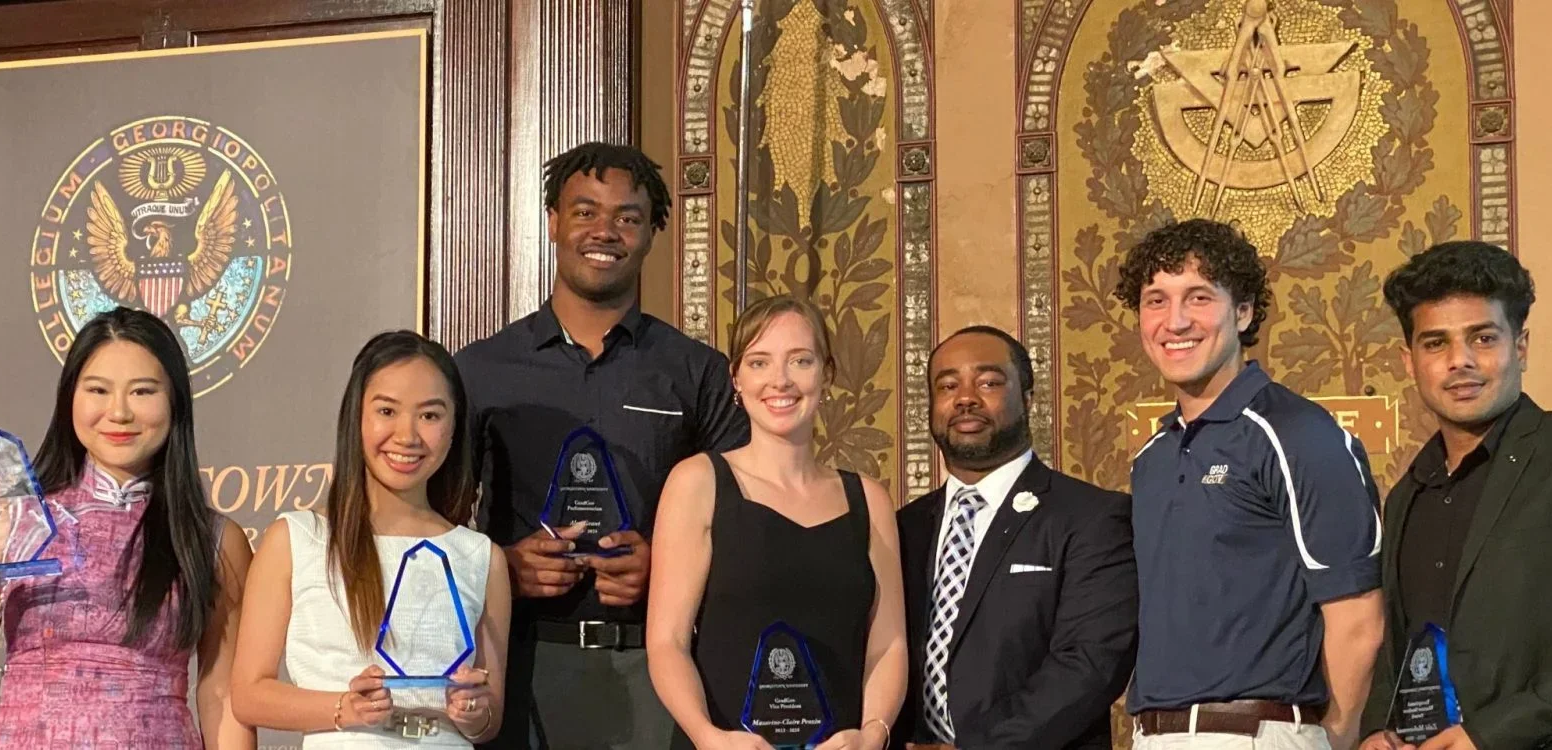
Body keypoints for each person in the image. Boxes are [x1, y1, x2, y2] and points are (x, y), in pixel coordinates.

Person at [455, 141, 750, 749]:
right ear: (554, 222)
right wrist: (501, 567)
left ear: (651, 234)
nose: (605, 231)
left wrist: (668, 572)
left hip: (654, 676)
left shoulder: (697, 373)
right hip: (516, 668)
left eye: (628, 217)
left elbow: (747, 524)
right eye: (585, 211)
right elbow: (426, 524)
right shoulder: (478, 370)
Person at [1355, 242, 1552, 750]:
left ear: (1521, 345)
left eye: (1482, 337)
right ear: (1409, 360)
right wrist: (1379, 728)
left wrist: (1492, 734)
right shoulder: (1406, 495)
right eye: (1435, 343)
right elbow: (1399, 643)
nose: (1459, 361)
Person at [0, 307, 255, 749]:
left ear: (175, 402)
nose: (119, 412)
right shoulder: (15, 518)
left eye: (143, 391)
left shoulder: (213, 539)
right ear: (71, 397)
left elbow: (221, 694)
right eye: (98, 390)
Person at [1113, 219, 1384, 749]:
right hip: (1153, 736)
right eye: (1155, 301)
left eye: (1197, 297)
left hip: (1258, 733)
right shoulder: (1153, 456)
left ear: (1243, 312)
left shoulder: (1296, 433)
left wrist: (1333, 738)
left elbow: (1357, 619)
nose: (1175, 321)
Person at [647, 295, 906, 750]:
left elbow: (888, 646)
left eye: (800, 361)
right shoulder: (698, 482)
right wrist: (709, 738)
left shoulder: (869, 499)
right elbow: (667, 642)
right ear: (737, 379)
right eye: (760, 362)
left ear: (826, 374)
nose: (780, 381)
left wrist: (872, 735)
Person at [232, 330, 510, 747]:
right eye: (387, 410)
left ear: (454, 427)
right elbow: (249, 694)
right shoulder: (297, 539)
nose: (407, 435)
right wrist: (343, 707)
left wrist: (473, 711)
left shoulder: (479, 556)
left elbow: (491, 716)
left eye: (430, 416)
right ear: (356, 417)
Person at [893, 325, 1137, 749]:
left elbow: (1090, 664)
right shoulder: (901, 528)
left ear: (1027, 399)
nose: (966, 397)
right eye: (948, 385)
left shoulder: (1092, 517)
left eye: (988, 382)